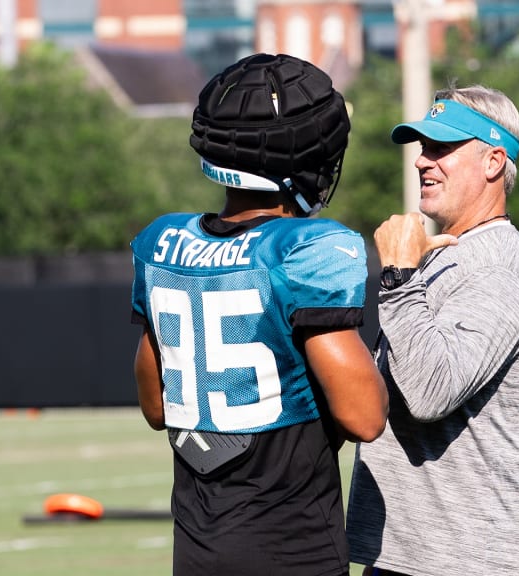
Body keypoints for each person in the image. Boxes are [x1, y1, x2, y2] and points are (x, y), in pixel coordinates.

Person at [129, 53, 388, 575]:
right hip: (291, 549)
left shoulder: (164, 244)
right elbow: (365, 417)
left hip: (198, 551)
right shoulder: (303, 250)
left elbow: (156, 408)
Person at [346, 85, 519, 575]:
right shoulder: (446, 253)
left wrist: (398, 276)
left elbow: (429, 391)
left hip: (466, 558)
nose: (423, 161)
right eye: (423, 148)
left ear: (493, 163)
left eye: (442, 148)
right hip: (418, 554)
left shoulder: (498, 265)